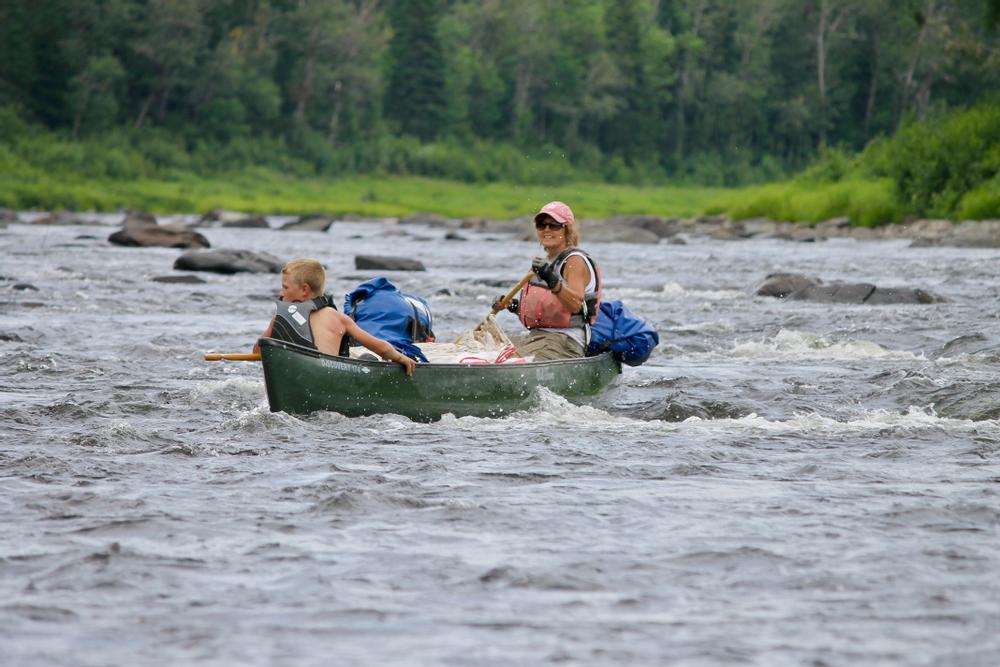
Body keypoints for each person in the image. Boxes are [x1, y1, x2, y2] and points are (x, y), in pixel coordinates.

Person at [254, 258, 416, 376]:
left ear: (304, 289)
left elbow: (258, 351)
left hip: (293, 376)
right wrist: (401, 358)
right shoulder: (338, 318)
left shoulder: (281, 316)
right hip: (326, 377)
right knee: (367, 358)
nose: (281, 293)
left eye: (285, 287)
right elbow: (381, 348)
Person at [492, 201, 601, 361]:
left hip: (566, 341)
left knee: (511, 364)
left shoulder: (574, 261)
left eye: (554, 225)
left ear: (567, 229)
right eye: (541, 225)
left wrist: (552, 281)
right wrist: (513, 306)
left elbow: (576, 304)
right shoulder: (547, 262)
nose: (547, 230)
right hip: (540, 337)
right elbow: (546, 312)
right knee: (495, 356)